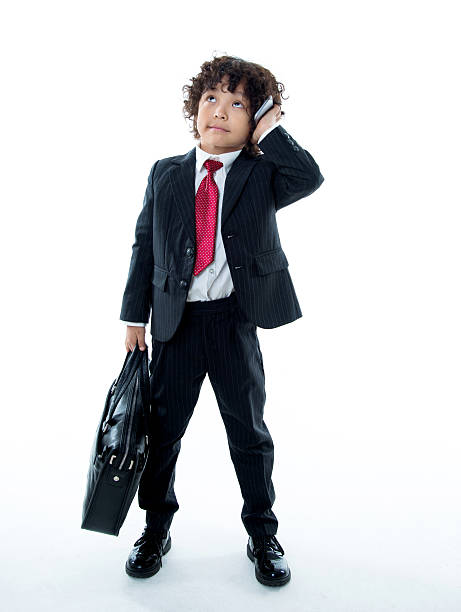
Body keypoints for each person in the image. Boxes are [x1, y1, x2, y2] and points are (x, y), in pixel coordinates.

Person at [119, 54, 324, 587]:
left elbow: (310, 176)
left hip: (234, 323)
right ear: (194, 109)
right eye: (212, 98)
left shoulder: (262, 175)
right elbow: (145, 246)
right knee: (161, 434)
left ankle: (262, 532)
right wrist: (132, 316)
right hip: (175, 325)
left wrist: (271, 133)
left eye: (239, 104)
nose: (221, 110)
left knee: (249, 433)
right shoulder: (165, 174)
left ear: (254, 120)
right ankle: (155, 526)